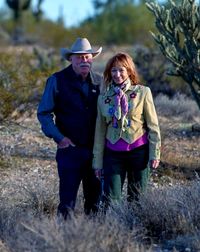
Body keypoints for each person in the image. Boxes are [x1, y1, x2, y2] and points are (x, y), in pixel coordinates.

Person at [37, 38, 103, 219]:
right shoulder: (57, 80)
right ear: (71, 59)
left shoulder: (99, 81)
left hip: (95, 152)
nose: (84, 60)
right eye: (79, 57)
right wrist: (59, 138)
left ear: (92, 59)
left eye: (87, 57)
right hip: (69, 151)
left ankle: (94, 241)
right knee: (67, 203)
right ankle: (64, 241)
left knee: (95, 203)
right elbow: (43, 113)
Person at [92, 52, 161, 208]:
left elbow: (153, 126)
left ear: (129, 70)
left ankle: (135, 230)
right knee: (111, 199)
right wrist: (97, 162)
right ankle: (114, 230)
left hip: (139, 151)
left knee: (137, 198)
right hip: (112, 154)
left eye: (121, 70)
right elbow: (100, 131)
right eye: (113, 70)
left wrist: (154, 153)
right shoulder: (103, 98)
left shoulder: (143, 92)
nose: (117, 74)